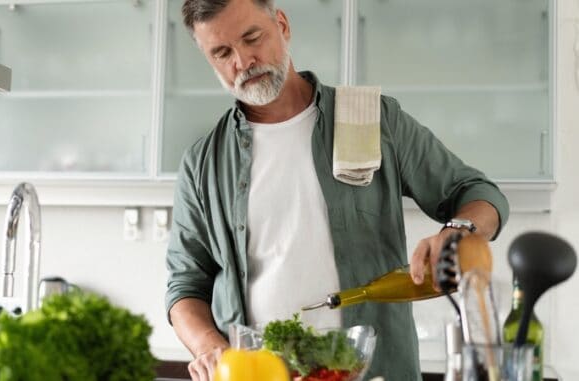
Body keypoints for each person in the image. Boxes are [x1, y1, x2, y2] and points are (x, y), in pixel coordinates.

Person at [165, 0, 509, 380]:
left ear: (281, 24)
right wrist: (207, 346)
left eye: (252, 38)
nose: (243, 62)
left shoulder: (370, 119)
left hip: (375, 370)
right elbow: (185, 285)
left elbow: (478, 193)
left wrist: (459, 230)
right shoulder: (202, 163)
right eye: (222, 52)